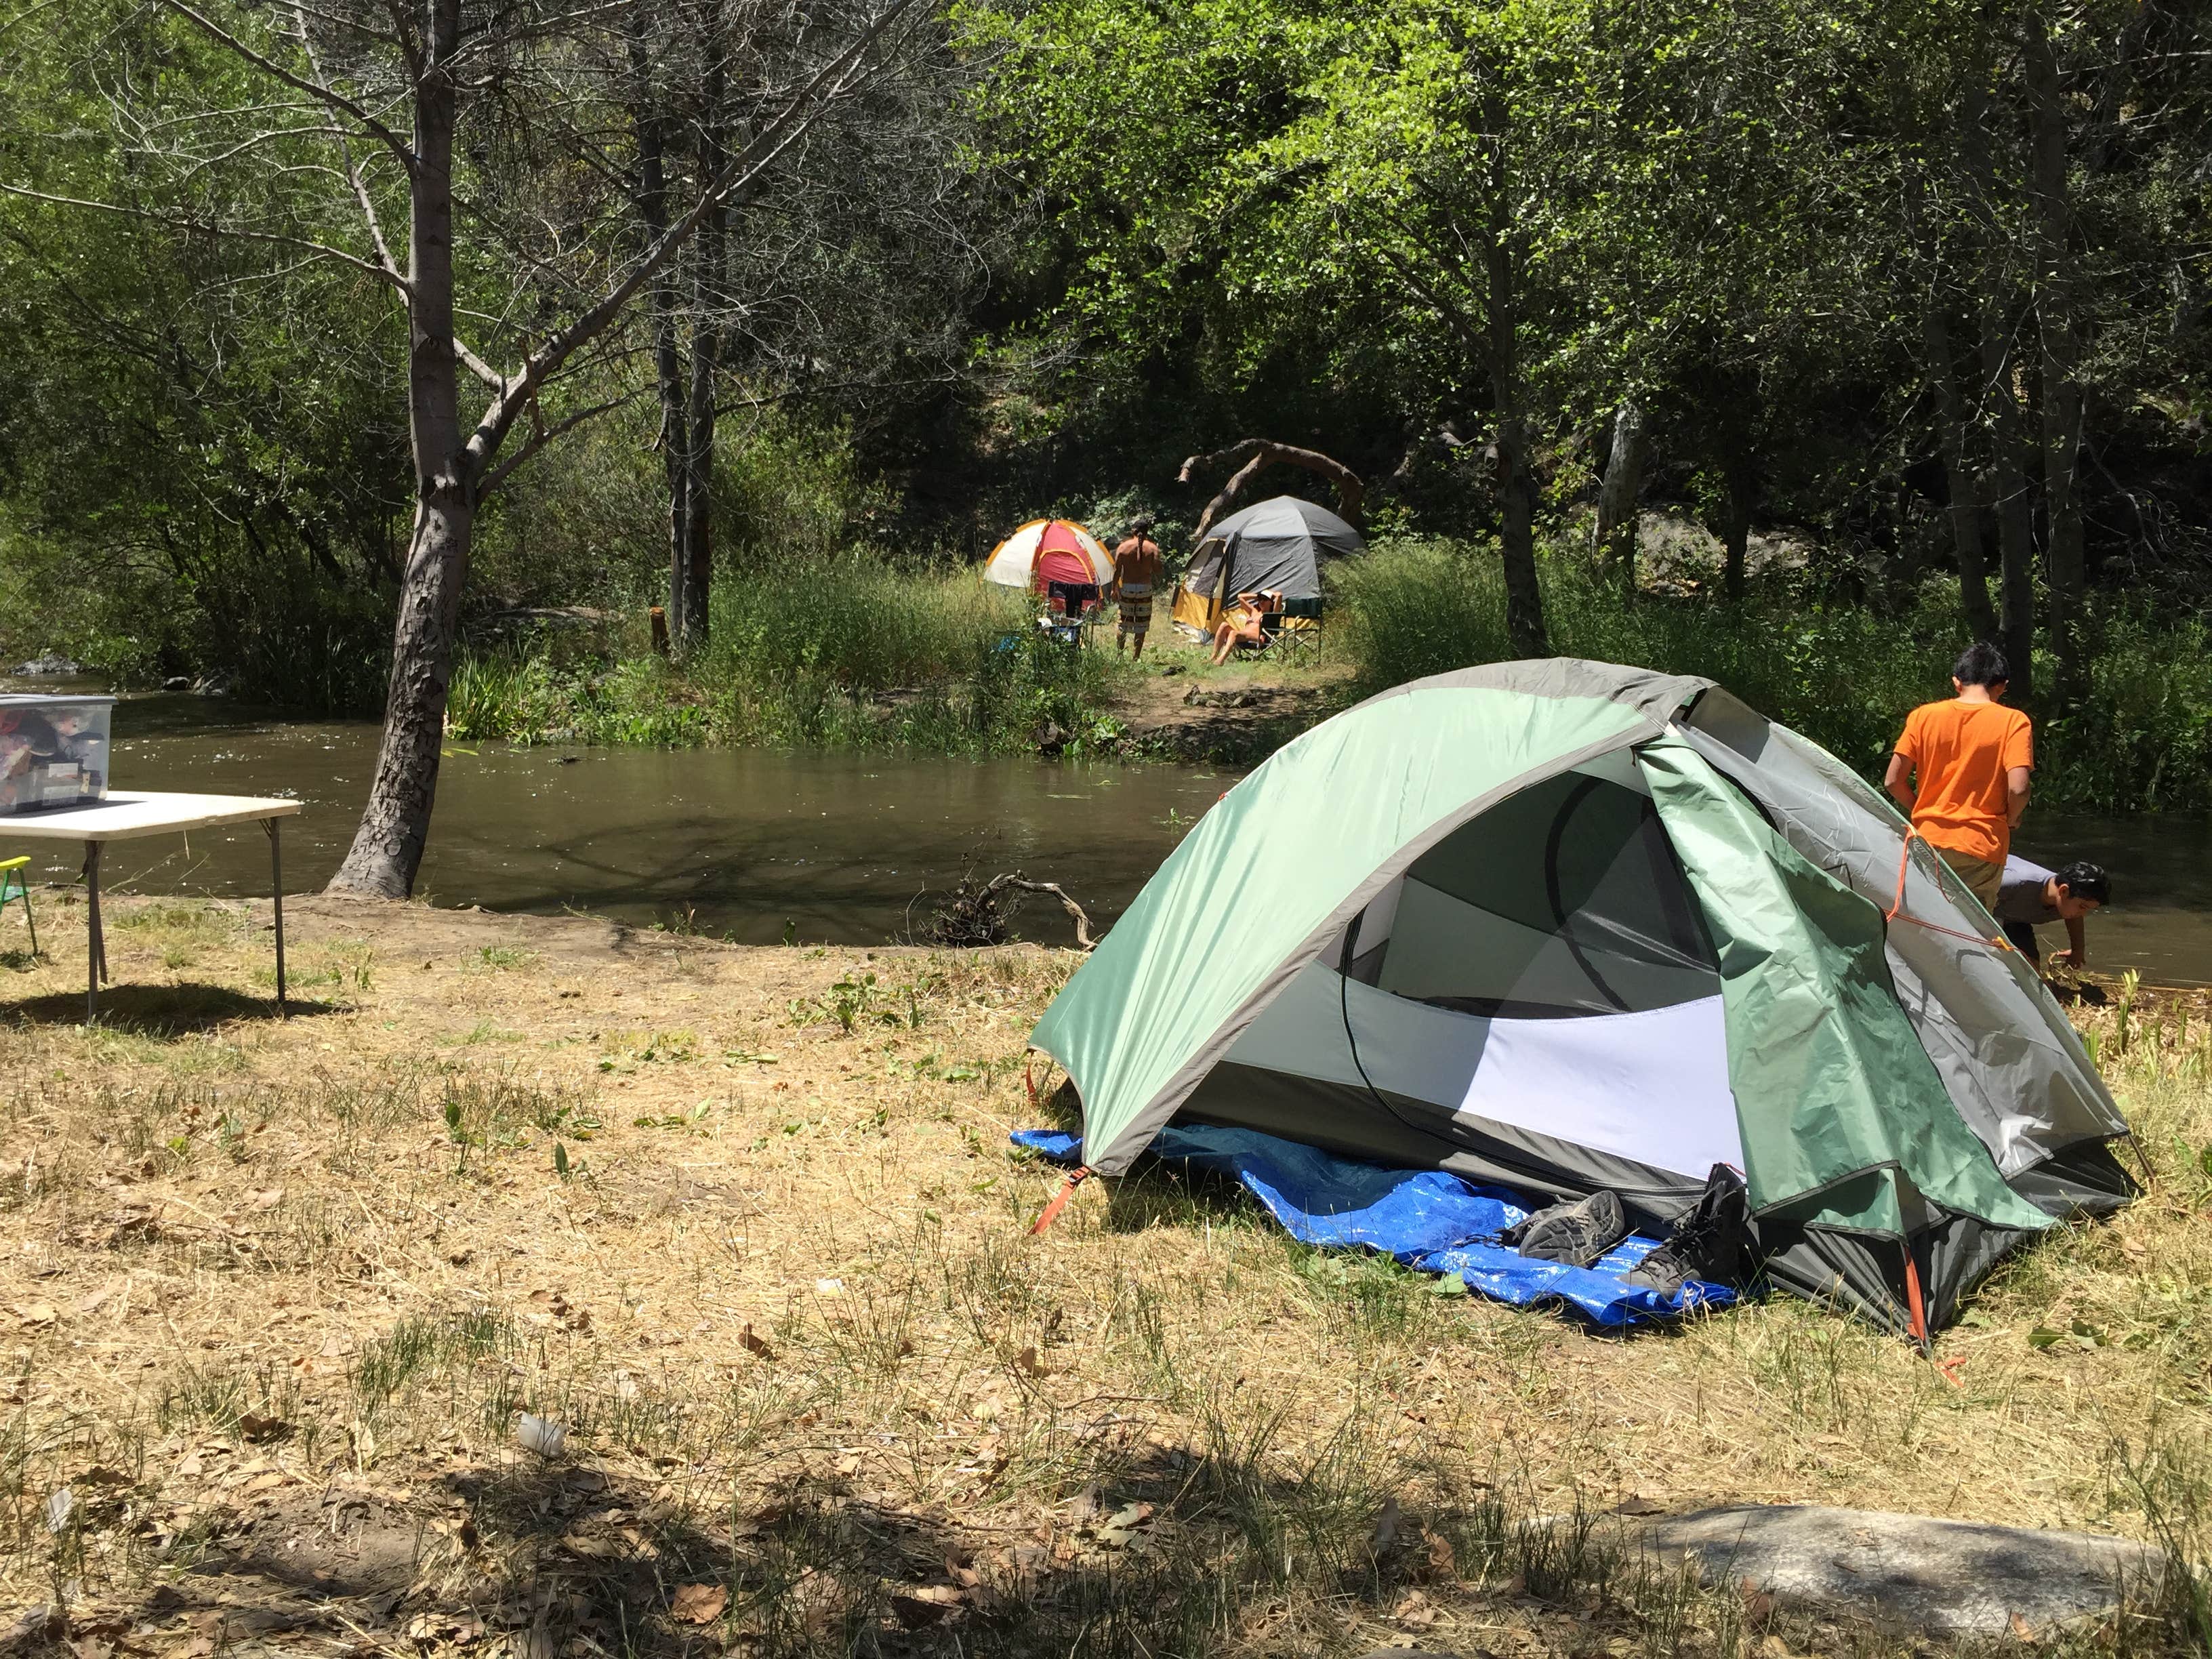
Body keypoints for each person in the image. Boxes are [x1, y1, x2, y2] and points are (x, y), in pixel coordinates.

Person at [1883, 640, 2034, 913]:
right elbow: (2020, 789)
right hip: (1982, 845)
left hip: (1927, 841)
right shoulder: (2014, 721)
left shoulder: (1923, 717)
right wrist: (2011, 818)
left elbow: (1892, 781)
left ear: (1956, 682)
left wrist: (1924, 811)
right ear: (2001, 686)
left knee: (1926, 924)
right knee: (1971, 933)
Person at [1996, 857, 2109, 970]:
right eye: (2083, 907)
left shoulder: (2066, 903)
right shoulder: (2014, 883)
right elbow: (1978, 902)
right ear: (2063, 891)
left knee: (2031, 973)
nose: (2083, 914)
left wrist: (2077, 951)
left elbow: (2075, 918)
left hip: (2016, 920)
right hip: (1987, 912)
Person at [1110, 516, 1162, 659]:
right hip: (1144, 588)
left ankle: (1120, 655)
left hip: (1127, 587)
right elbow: (1158, 569)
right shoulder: (1152, 548)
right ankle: (1136, 657)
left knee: (1123, 622)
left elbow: (1117, 571)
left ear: (1133, 530)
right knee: (1141, 624)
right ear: (1147, 532)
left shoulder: (1123, 547)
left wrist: (1114, 588)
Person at [1209, 590, 1279, 666]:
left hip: (1257, 638)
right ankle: (1213, 657)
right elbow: (1240, 597)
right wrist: (1257, 596)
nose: (1261, 602)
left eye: (1265, 600)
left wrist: (1273, 595)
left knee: (1234, 633)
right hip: (1243, 635)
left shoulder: (1271, 615)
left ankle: (1221, 659)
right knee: (1224, 625)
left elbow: (1280, 595)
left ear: (1271, 602)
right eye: (1260, 599)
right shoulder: (1254, 611)